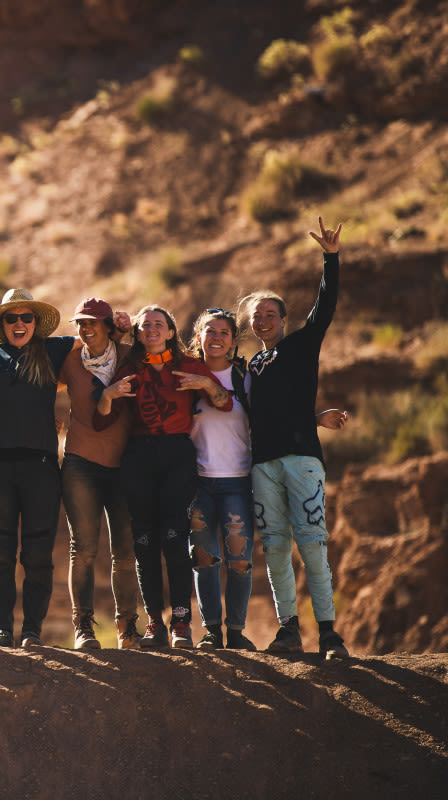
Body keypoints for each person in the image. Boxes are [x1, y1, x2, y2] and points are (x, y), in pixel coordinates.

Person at [241, 216, 351, 659]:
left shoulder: (303, 345)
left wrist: (331, 258)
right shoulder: (249, 367)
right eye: (257, 317)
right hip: (263, 464)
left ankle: (329, 633)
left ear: (284, 319)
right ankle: (288, 630)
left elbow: (325, 306)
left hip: (303, 459)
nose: (264, 320)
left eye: (270, 314)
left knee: (313, 544)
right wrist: (314, 414)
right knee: (276, 549)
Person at [95, 305, 232, 648]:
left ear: (171, 331)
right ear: (138, 334)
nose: (152, 330)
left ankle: (181, 622)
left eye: (159, 324)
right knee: (143, 541)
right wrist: (108, 396)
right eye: (145, 326)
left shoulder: (189, 366)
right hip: (138, 456)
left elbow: (225, 404)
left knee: (174, 537)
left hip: (177, 455)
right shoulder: (130, 370)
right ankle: (155, 621)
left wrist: (203, 382)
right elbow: (102, 421)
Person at [0, 289, 77, 648]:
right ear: (1, 325)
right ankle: (2, 629)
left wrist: (121, 324)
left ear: (37, 322)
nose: (19, 324)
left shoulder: (54, 350)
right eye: (11, 318)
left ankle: (32, 631)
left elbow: (96, 340)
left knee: (37, 554)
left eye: (26, 318)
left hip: (41, 468)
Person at [58, 298, 141, 650]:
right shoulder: (69, 359)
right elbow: (33, 369)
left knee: (125, 552)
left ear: (109, 326)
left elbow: (159, 341)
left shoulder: (128, 356)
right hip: (80, 463)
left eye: (93, 323)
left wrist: (132, 328)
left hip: (124, 464)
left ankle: (127, 628)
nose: (86, 329)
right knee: (84, 550)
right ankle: (84, 629)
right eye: (81, 323)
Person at [187, 308, 258, 651]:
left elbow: (271, 417)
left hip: (238, 481)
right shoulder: (184, 375)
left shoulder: (245, 378)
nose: (216, 338)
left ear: (232, 341)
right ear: (198, 337)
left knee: (240, 561)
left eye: (223, 333)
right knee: (204, 559)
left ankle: (237, 631)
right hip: (197, 482)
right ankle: (212, 631)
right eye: (209, 331)